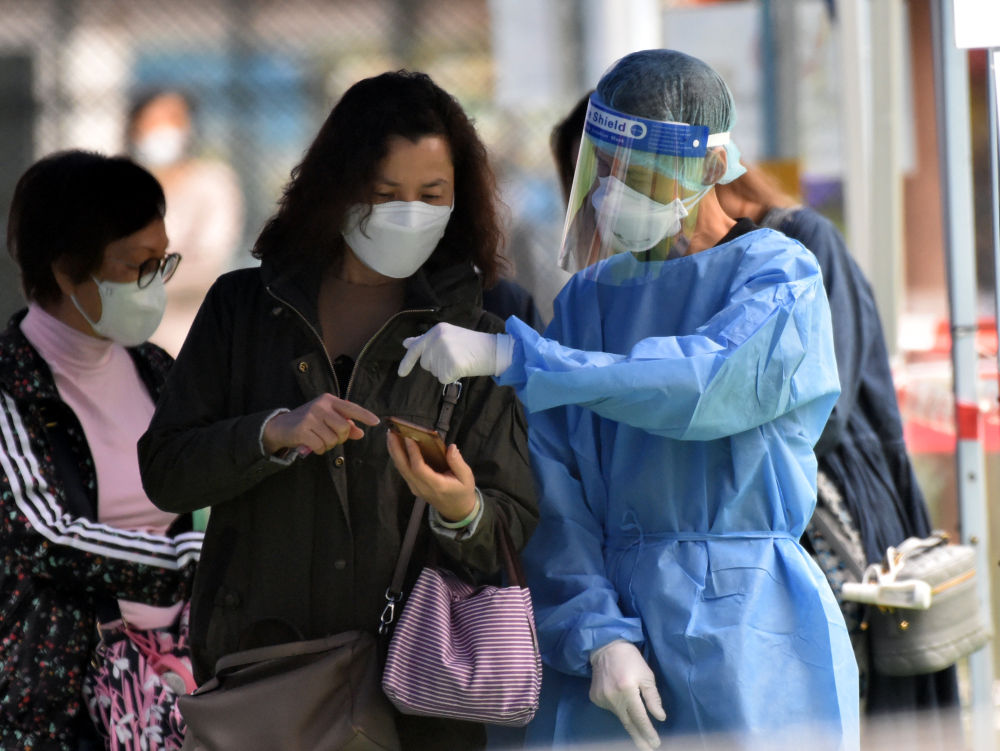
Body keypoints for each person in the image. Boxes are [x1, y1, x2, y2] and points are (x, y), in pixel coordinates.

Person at [399, 49, 859, 750]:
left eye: (639, 173)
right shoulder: (590, 299)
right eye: (604, 167)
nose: (614, 190)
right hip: (599, 640)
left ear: (708, 169)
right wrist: (596, 633)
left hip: (749, 634)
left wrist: (520, 356)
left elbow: (700, 383)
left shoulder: (779, 278)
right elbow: (554, 488)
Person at [137, 70, 539, 751]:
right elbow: (167, 470)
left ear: (457, 201)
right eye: (385, 194)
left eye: (430, 195)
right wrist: (269, 435)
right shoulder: (244, 308)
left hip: (418, 695)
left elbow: (512, 518)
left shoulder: (481, 328)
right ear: (339, 189)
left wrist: (460, 507)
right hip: (267, 679)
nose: (408, 210)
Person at [714, 168, 961, 718]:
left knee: (858, 680)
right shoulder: (681, 270)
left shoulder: (802, 237)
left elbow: (830, 404)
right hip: (773, 504)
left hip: (835, 493)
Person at [0, 149, 202, 751]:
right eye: (137, 266)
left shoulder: (154, 368)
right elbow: (47, 534)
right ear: (66, 271)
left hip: (171, 687)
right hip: (58, 705)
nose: (154, 284)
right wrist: (194, 560)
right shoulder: (12, 388)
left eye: (162, 262)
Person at [126, 88, 245, 356]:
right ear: (134, 126)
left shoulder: (213, 182)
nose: (164, 130)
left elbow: (211, 259)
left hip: (191, 330)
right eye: (153, 121)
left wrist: (132, 278)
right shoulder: (119, 185)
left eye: (174, 120)